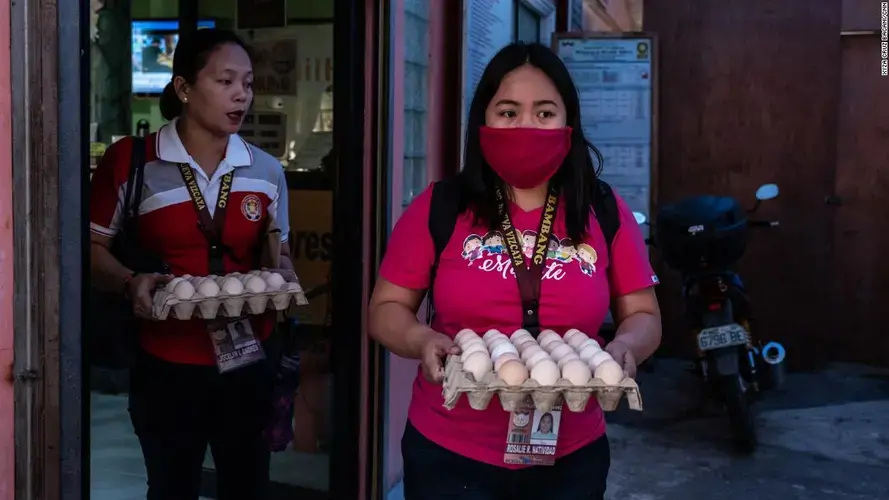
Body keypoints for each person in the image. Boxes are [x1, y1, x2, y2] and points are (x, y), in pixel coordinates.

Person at [368, 42, 662, 499]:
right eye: (508, 112)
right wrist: (421, 340)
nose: (526, 126)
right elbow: (386, 308)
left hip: (571, 458)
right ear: (483, 121)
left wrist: (626, 346)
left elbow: (644, 313)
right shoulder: (441, 206)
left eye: (545, 113)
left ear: (569, 123)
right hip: (450, 454)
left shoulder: (603, 209)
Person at [90, 28, 294, 499]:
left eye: (247, 82)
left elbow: (276, 247)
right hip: (166, 361)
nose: (241, 94)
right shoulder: (133, 161)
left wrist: (283, 272)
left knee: (246, 485)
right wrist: (128, 281)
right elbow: (90, 248)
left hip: (248, 356)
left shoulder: (265, 169)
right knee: (170, 485)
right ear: (184, 88)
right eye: (226, 81)